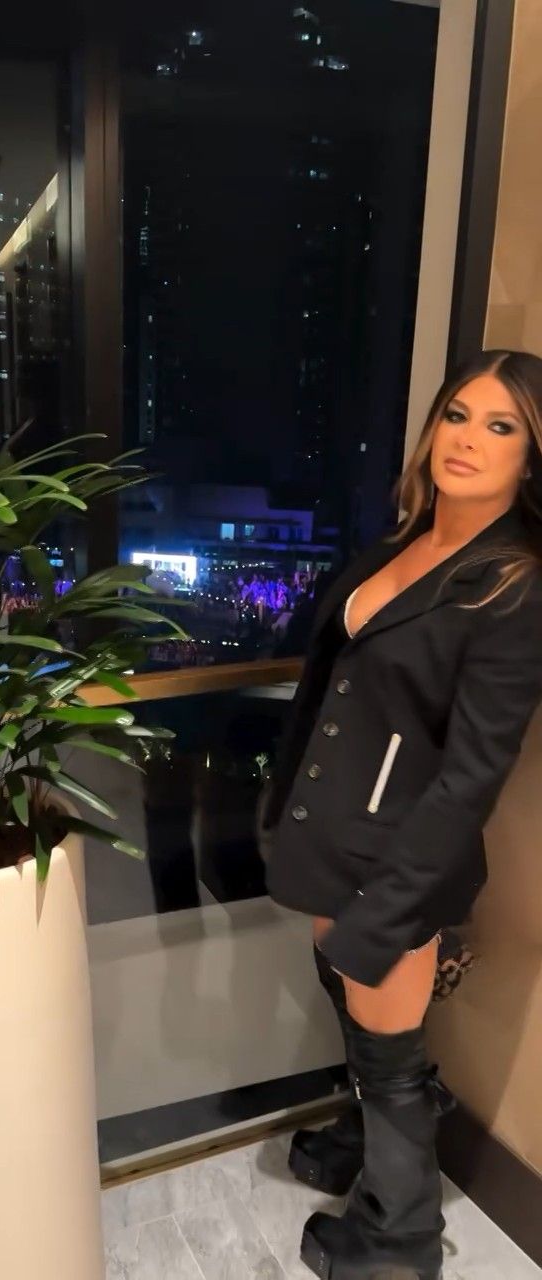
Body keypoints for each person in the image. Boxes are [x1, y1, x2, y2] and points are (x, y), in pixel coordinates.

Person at [259, 350, 542, 1280]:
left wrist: (392, 903)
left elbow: (472, 776)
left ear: (531, 458)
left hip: (399, 859)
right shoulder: (405, 542)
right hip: (334, 839)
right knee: (354, 1012)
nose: (468, 439)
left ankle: (401, 1240)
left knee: (387, 1053)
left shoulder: (514, 588)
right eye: (457, 415)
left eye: (500, 426)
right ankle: (370, 1145)